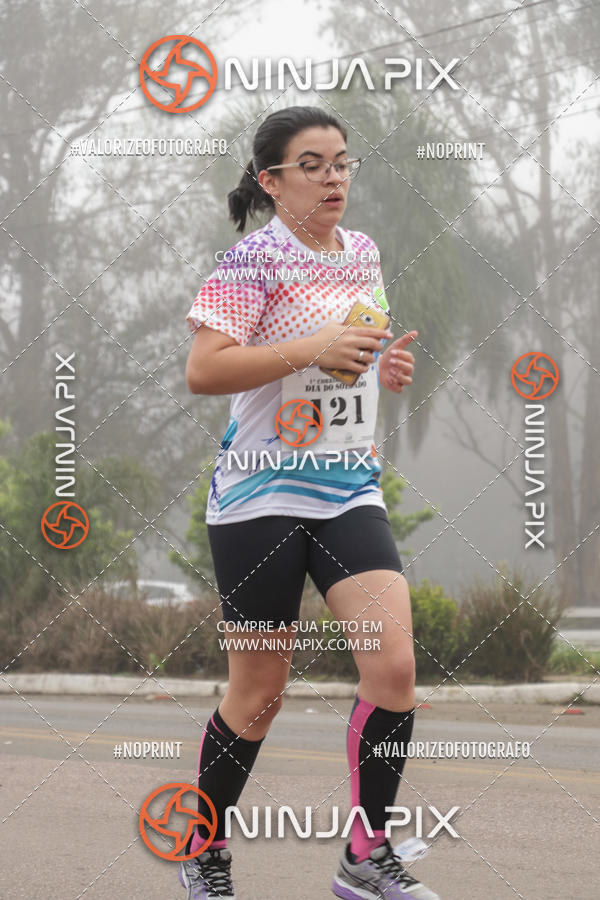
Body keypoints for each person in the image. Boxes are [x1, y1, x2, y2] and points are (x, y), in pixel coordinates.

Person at [182, 105, 440, 900]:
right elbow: (205, 370)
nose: (334, 178)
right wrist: (312, 349)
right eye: (314, 165)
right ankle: (205, 849)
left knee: (393, 665)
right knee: (258, 694)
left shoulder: (360, 253)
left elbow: (347, 361)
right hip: (260, 493)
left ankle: (365, 859)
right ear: (272, 180)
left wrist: (379, 369)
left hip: (344, 488)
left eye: (342, 163)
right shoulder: (250, 264)